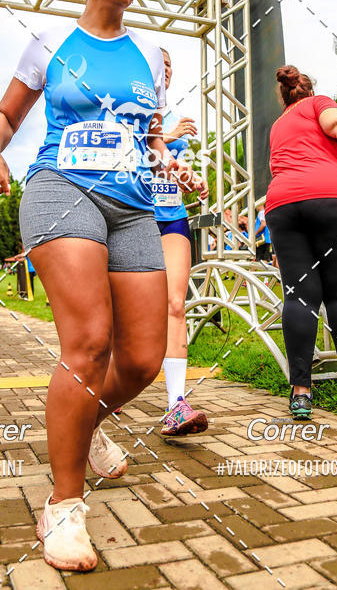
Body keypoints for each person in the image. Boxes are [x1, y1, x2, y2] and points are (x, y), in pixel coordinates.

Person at [0, 0, 199, 572]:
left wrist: (172, 167)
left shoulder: (152, 54)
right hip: (62, 190)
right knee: (90, 342)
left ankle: (85, 425)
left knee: (144, 357)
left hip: (133, 206)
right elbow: (5, 116)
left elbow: (149, 137)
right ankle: (64, 507)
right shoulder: (50, 43)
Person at [265, 66, 337, 419]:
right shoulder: (319, 104)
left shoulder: (278, 125)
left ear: (285, 95)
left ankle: (301, 393)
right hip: (335, 198)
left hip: (284, 205)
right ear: (309, 90)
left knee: (299, 298)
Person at [154, 48, 209, 436]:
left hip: (171, 215)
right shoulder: (125, 109)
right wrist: (165, 138)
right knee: (122, 310)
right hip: (130, 215)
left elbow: (174, 171)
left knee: (176, 303)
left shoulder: (177, 119)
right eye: (160, 64)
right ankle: (111, 388)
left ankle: (176, 404)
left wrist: (192, 181)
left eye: (171, 65)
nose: (166, 71)